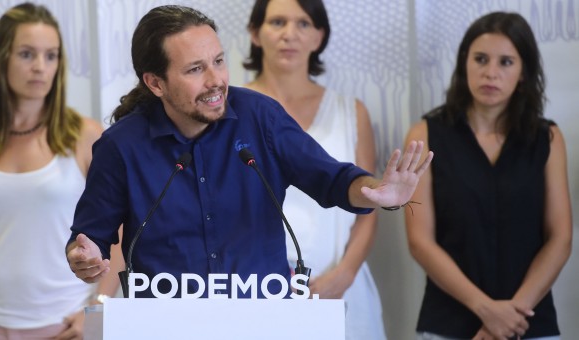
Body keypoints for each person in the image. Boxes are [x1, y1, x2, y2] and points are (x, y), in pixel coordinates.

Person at [66, 5, 432, 301]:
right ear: (155, 83)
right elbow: (89, 238)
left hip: (263, 319)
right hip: (166, 324)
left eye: (219, 61)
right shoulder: (120, 146)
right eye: (196, 69)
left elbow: (332, 178)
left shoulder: (261, 117)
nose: (216, 80)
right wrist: (84, 257)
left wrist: (375, 189)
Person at [0, 3, 113, 339]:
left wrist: (98, 309)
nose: (41, 67)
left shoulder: (85, 137)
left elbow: (120, 232)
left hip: (63, 325)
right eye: (27, 54)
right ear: (1, 59)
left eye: (51, 55)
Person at [404, 12, 572, 340]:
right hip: (449, 323)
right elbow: (420, 241)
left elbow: (560, 238)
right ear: (464, 63)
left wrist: (511, 315)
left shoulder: (548, 138)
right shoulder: (424, 134)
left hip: (528, 322)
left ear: (524, 72)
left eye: (506, 62)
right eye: (480, 59)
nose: (491, 72)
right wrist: (486, 310)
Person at [243, 0, 385, 338]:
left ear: (319, 36)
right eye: (277, 22)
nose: (289, 34)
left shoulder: (351, 112)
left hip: (340, 286)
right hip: (253, 287)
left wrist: (345, 274)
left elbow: (368, 205)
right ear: (255, 33)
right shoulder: (230, 110)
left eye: (303, 24)